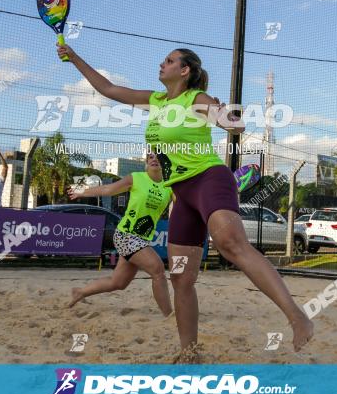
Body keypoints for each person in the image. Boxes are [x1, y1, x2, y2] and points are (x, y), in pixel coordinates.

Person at [56, 43, 313, 357]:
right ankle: (188, 352)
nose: (161, 64)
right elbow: (108, 88)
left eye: (169, 61)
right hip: (182, 197)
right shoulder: (155, 100)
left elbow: (235, 125)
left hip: (209, 180)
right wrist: (74, 57)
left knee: (231, 244)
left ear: (185, 70)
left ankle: (296, 316)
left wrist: (226, 115)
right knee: (181, 278)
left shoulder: (195, 99)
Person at [66, 153, 173, 317]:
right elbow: (108, 189)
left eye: (158, 157)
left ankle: (80, 292)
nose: (154, 159)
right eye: (150, 157)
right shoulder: (136, 178)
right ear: (145, 163)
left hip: (141, 239)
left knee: (118, 283)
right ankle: (169, 315)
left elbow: (184, 204)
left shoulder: (169, 186)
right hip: (126, 235)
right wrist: (81, 191)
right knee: (157, 269)